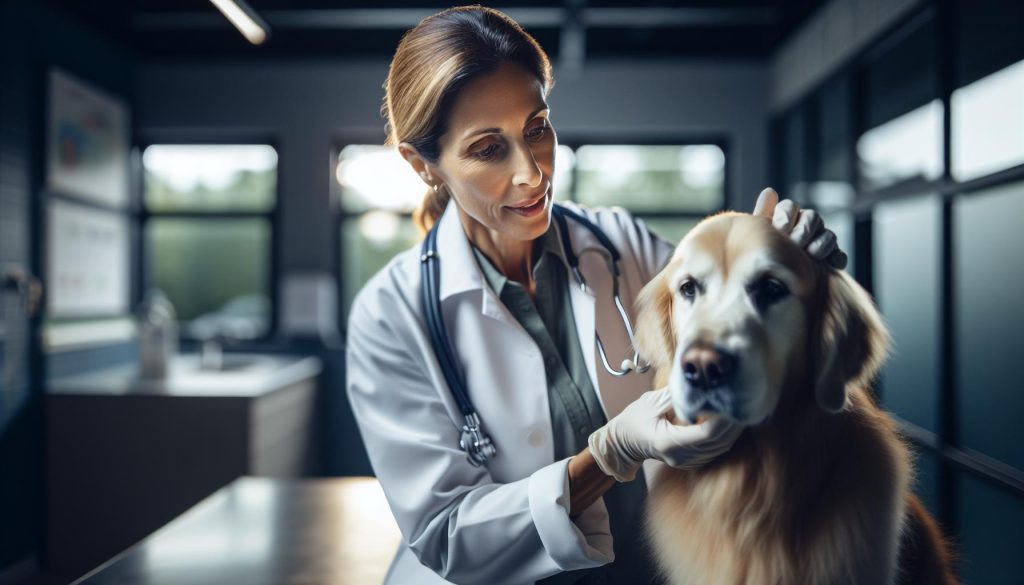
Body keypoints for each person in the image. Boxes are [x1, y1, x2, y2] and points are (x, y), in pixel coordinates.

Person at [345, 6, 846, 584]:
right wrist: (610, 455)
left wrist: (786, 265)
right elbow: (448, 536)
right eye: (488, 149)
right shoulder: (391, 315)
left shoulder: (621, 245)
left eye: (537, 128)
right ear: (422, 165)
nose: (532, 173)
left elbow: (736, 331)